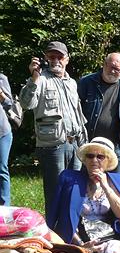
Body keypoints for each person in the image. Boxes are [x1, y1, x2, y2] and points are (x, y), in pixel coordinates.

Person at [20, 41, 88, 214]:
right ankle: (53, 227)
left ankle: (71, 226)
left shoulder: (71, 82)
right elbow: (26, 104)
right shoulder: (40, 80)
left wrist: (83, 142)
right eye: (52, 56)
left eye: (60, 56)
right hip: (53, 146)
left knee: (73, 190)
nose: (56, 60)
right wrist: (33, 78)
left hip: (75, 144)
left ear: (67, 59)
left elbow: (77, 113)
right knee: (55, 192)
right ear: (45, 58)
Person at [46, 137, 120, 253]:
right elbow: (57, 217)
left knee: (117, 251)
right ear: (85, 160)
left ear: (108, 161)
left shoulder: (119, 181)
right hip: (76, 241)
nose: (94, 160)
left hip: (109, 238)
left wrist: (106, 187)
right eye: (90, 156)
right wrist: (82, 245)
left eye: (100, 157)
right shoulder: (69, 179)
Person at [78, 52, 120, 174]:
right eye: (111, 67)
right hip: (89, 145)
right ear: (104, 64)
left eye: (117, 69)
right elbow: (75, 110)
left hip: (115, 147)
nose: (113, 71)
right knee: (86, 182)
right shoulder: (86, 83)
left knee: (116, 182)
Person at [0, 73, 14, 206]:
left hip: (2, 133)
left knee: (1, 168)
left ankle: (5, 206)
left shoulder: (1, 78)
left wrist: (1, 94)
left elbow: (9, 104)